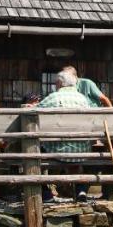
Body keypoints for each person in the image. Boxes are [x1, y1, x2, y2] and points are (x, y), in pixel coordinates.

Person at [38, 70, 93, 200]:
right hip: (81, 151)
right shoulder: (83, 99)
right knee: (78, 157)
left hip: (57, 150)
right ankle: (81, 190)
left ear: (60, 83)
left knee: (31, 153)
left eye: (56, 82)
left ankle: (46, 194)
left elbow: (35, 114)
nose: (55, 84)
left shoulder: (53, 97)